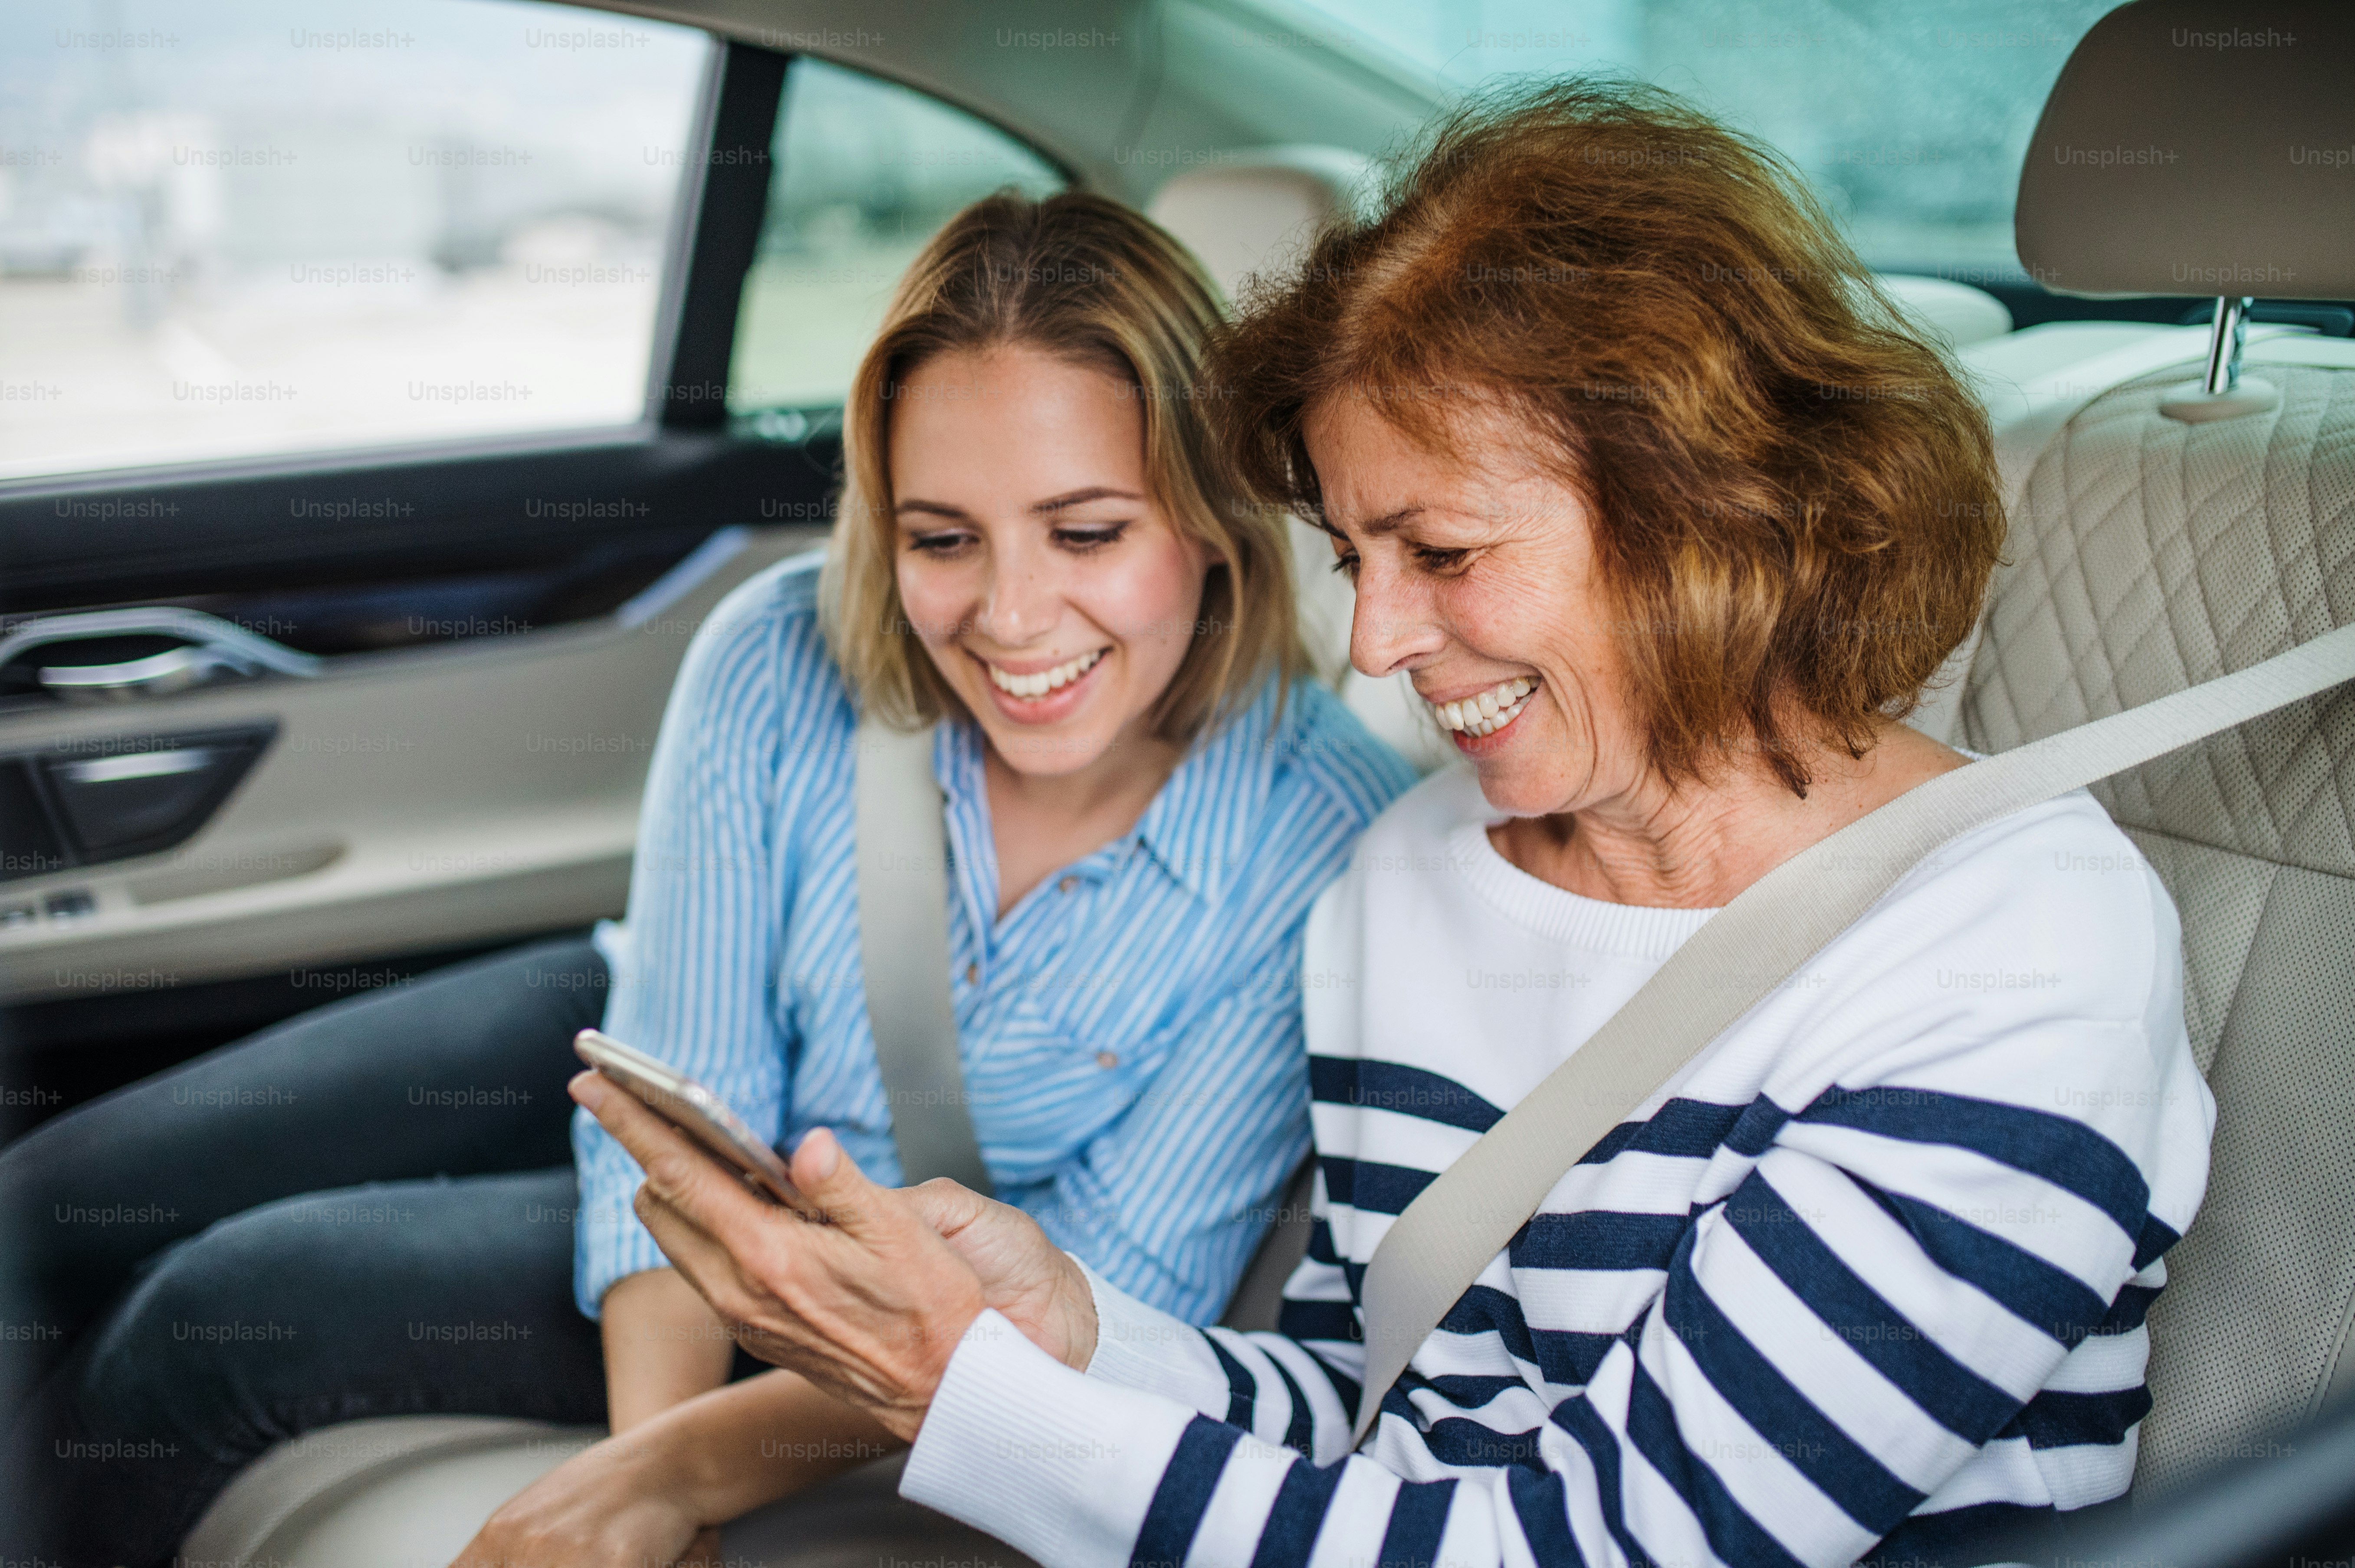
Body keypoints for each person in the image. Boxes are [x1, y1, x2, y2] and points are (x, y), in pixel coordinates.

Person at [573, 80, 2213, 1568]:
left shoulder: (2008, 959)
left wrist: (982, 1403)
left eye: (1440, 550)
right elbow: (1381, 1416)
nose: (1372, 643)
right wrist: (1068, 1336)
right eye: (1358, 559)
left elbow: (1607, 1551)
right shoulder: (1410, 879)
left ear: (1702, 504)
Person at [0, 191, 1413, 1568]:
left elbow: (1092, 1317)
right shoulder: (772, 652)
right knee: (46, 1204)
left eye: (1087, 532)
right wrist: (648, 1467)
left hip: (860, 1287)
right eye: (941, 538)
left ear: (1214, 518)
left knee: (220, 1314)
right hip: (654, 1062)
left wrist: (664, 1478)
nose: (1008, 616)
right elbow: (673, 1096)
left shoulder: (1324, 844)